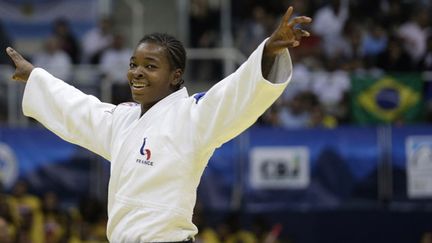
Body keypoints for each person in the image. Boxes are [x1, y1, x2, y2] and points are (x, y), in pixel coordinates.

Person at [5, 6, 311, 242]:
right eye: (134, 64)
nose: (137, 73)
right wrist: (35, 77)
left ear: (175, 76)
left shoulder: (193, 117)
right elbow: (79, 110)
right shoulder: (122, 119)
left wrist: (268, 52)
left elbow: (234, 94)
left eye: (150, 67)